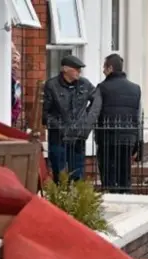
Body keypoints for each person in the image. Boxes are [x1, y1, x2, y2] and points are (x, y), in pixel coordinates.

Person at [42, 54, 101, 182]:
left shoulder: (85, 84)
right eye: (76, 69)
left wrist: (86, 124)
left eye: (80, 69)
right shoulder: (51, 85)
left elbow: (97, 100)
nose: (79, 72)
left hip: (78, 137)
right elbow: (45, 114)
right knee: (59, 174)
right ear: (65, 69)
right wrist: (61, 128)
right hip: (58, 137)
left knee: (77, 175)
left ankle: (75, 200)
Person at [95, 53, 142, 193]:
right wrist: (138, 142)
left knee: (108, 175)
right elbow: (138, 117)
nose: (103, 70)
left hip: (107, 138)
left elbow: (95, 112)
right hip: (128, 139)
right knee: (124, 173)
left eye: (104, 67)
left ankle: (111, 199)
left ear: (110, 68)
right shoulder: (136, 89)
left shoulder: (102, 88)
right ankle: (126, 198)